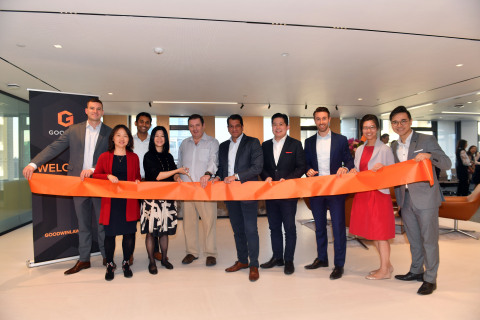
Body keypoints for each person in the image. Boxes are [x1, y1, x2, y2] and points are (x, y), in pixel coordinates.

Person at [22, 97, 112, 275]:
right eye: (92, 108)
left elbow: (112, 157)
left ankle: (107, 258)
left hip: (100, 183)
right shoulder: (74, 130)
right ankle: (84, 259)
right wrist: (33, 164)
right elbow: (54, 148)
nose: (95, 111)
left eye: (99, 108)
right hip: (78, 183)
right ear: (86, 111)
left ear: (102, 111)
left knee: (103, 224)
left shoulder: (109, 132)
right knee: (83, 224)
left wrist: (94, 169)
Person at [389, 106, 451, 295]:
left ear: (410, 121)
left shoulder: (426, 139)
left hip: (426, 199)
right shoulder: (393, 145)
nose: (399, 125)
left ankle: (430, 278)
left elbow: (447, 162)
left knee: (429, 240)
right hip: (405, 199)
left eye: (403, 121)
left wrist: (430, 156)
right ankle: (416, 271)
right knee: (413, 239)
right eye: (395, 122)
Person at [304, 107, 354, 280]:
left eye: (324, 118)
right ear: (315, 121)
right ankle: (322, 258)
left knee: (338, 227)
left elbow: (349, 159)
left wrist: (346, 167)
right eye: (318, 119)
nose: (321, 122)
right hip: (317, 190)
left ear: (329, 119)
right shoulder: (309, 142)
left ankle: (339, 264)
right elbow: (306, 163)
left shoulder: (341, 140)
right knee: (319, 226)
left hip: (335, 190)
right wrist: (308, 170)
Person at [214, 114, 263, 281]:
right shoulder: (223, 146)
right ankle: (242, 260)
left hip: (248, 193)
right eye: (231, 126)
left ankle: (254, 264)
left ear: (242, 127)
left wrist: (235, 176)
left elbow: (257, 167)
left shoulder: (253, 142)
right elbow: (222, 169)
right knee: (237, 230)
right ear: (228, 128)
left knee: (251, 229)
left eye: (237, 126)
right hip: (230, 195)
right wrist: (217, 177)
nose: (234, 129)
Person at [348, 114, 395, 280]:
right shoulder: (359, 149)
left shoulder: (385, 149)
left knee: (381, 233)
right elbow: (358, 170)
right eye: (366, 127)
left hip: (379, 194)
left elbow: (393, 174)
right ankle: (386, 265)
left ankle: (384, 271)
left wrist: (384, 169)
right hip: (364, 194)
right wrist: (353, 171)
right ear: (362, 130)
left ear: (377, 129)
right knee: (373, 232)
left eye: (372, 127)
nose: (369, 130)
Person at [92, 125, 141, 281]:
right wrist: (107, 176)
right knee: (110, 235)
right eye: (118, 135)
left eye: (125, 136)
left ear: (129, 139)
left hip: (129, 201)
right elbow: (96, 175)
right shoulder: (104, 157)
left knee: (129, 234)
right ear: (112, 138)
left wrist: (138, 181)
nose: (122, 139)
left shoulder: (134, 157)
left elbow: (137, 176)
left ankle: (126, 262)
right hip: (111, 203)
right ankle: (110, 264)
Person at [259, 113, 305, 275]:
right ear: (271, 127)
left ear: (287, 127)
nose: (277, 127)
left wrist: (289, 179)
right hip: (271, 193)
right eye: (275, 124)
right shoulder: (264, 145)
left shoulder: (295, 145)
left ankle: (289, 260)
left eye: (281, 124)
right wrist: (267, 176)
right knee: (274, 227)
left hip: (288, 193)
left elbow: (301, 167)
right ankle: (277, 257)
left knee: (289, 228)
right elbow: (261, 167)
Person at [141, 126, 187, 274]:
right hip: (152, 199)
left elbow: (171, 173)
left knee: (164, 231)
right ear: (152, 138)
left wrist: (177, 177)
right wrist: (178, 170)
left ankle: (165, 258)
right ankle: (152, 261)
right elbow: (158, 176)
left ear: (166, 139)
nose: (159, 139)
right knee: (151, 232)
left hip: (167, 198)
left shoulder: (168, 156)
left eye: (162, 136)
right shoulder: (148, 156)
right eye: (156, 136)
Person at [177, 114, 219, 266]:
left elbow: (213, 161)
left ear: (203, 125)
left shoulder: (212, 142)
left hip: (205, 188)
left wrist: (208, 174)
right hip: (187, 189)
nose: (194, 129)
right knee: (188, 222)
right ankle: (192, 252)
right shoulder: (184, 144)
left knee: (209, 222)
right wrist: (177, 175)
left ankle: (211, 253)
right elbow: (180, 163)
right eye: (191, 126)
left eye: (197, 125)